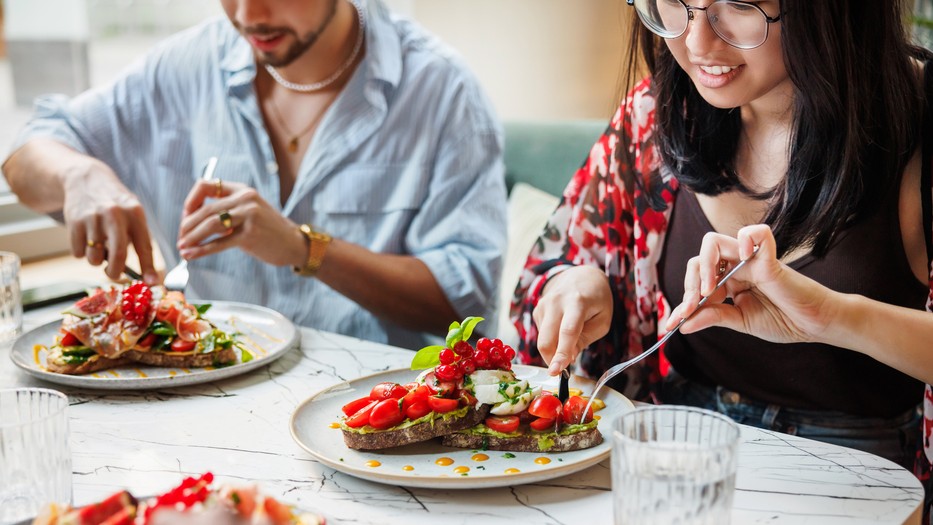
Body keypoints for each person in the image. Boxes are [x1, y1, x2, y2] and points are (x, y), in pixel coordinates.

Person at [511, 0, 933, 497]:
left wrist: (834, 317)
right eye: (672, 3)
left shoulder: (918, 124)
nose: (696, 44)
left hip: (864, 471)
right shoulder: (658, 113)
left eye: (738, 4)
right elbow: (553, 270)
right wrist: (581, 284)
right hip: (673, 443)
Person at [2, 0, 507, 349]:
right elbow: (25, 153)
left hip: (376, 415)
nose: (248, 16)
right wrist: (78, 175)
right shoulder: (187, 65)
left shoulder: (442, 91)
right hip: (207, 396)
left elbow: (462, 304)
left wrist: (304, 248)